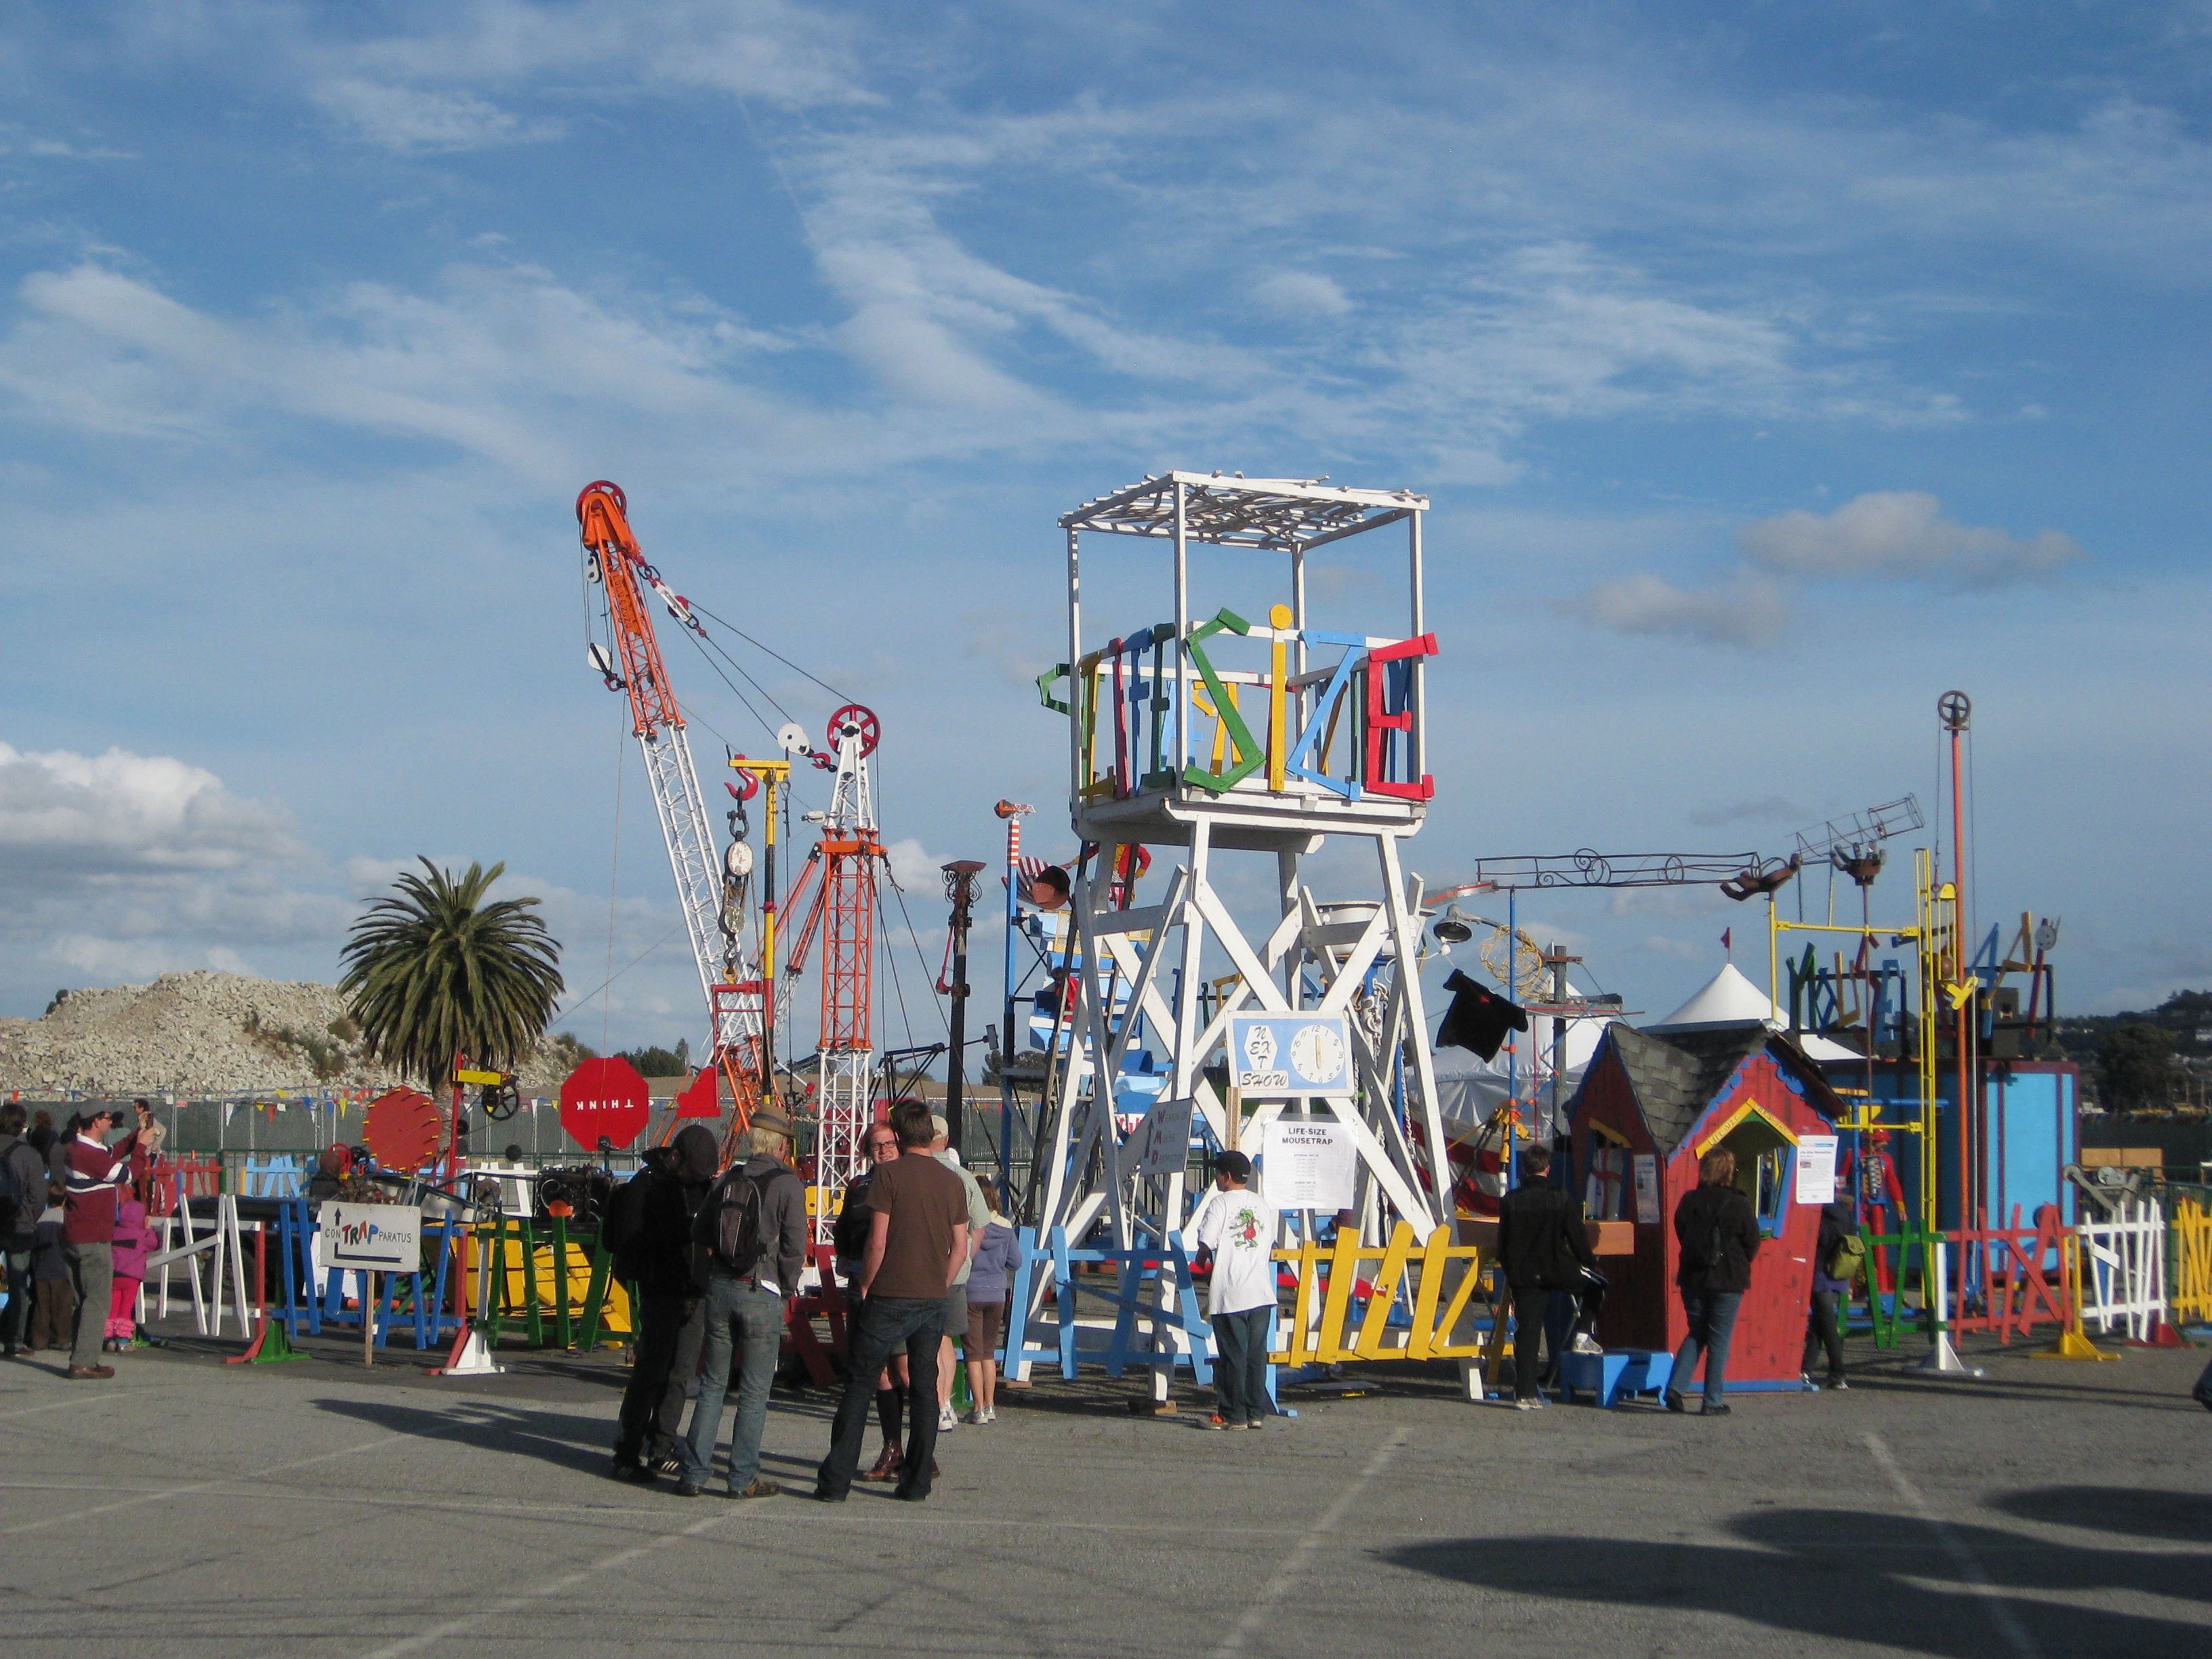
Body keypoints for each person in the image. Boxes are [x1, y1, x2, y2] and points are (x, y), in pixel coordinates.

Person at [815, 1099, 968, 1503]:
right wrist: (941, 1282)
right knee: (923, 1388)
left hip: (889, 1294)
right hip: (931, 1297)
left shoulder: (888, 1177)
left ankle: (836, 1482)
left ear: (899, 1137)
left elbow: (878, 1241)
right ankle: (917, 1480)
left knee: (860, 1383)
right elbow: (960, 1247)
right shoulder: (953, 1181)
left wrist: (867, 1284)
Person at [679, 1106, 807, 1500]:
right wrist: (786, 1288)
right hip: (761, 1291)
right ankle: (741, 1478)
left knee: (714, 1385)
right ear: (782, 1144)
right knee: (753, 1392)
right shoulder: (788, 1184)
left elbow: (700, 1231)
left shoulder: (729, 1178)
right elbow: (794, 1246)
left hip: (721, 1287)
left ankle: (694, 1473)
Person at [607, 1124, 719, 1482]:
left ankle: (662, 1445)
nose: (695, 1178)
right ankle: (627, 1452)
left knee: (681, 1374)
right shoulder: (646, 1187)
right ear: (675, 1157)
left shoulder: (701, 1185)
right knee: (650, 1372)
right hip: (661, 1291)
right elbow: (631, 1241)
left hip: (695, 1290)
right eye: (691, 1171)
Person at [834, 1121, 912, 1481]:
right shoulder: (859, 1186)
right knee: (876, 1371)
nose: (883, 1150)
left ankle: (921, 1452)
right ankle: (892, 1447)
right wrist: (848, 1262)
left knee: (905, 1369)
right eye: (876, 1145)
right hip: (861, 1282)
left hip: (896, 1285)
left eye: (888, 1144)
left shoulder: (910, 1182)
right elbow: (845, 1228)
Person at [1496, 1142, 1600, 1410]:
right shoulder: (1562, 1197)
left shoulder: (1510, 1201)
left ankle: (1525, 1393)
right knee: (1598, 1284)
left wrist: (1510, 1270)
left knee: (1528, 1331)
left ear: (1525, 1170)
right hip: (1557, 1267)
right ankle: (1583, 1333)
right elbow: (1577, 1238)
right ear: (1548, 1168)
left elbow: (1503, 1243)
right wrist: (1589, 1263)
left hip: (1524, 1272)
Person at [1665, 1147, 1762, 1416]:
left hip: (1693, 1277)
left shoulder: (1689, 1201)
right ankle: (1712, 1401)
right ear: (1730, 1172)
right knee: (1719, 1340)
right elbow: (1752, 1241)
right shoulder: (1739, 1203)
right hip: (1728, 1279)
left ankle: (1675, 1388)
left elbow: (1682, 1232)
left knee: (1697, 1331)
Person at [1189, 1151, 1280, 1431]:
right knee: (1255, 1356)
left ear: (1226, 1177)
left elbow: (1207, 1241)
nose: (1215, 1177)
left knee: (1233, 1357)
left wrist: (1201, 1262)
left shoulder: (1220, 1203)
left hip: (1231, 1291)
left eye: (1217, 1172)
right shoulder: (1262, 1204)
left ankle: (1231, 1414)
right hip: (1262, 1292)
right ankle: (1255, 1412)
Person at [62, 1104, 142, 1380]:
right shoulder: (87, 1154)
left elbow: (113, 1153)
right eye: (108, 1119)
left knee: (81, 1301)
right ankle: (83, 1362)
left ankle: (80, 1355)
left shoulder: (76, 1149)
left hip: (74, 1235)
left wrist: (136, 1135)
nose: (111, 1124)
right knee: (97, 1301)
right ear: (96, 1122)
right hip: (92, 1238)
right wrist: (142, 1149)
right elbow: (128, 1175)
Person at [928, 1112, 989, 1433]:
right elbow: (980, 1225)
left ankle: (937, 1404)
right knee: (946, 1340)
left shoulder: (914, 1171)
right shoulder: (964, 1177)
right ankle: (946, 1403)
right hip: (957, 1271)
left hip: (922, 1269)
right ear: (946, 1139)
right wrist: (965, 1258)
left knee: (929, 1341)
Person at [963, 1176, 1019, 1425]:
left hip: (972, 1291)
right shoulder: (1006, 1226)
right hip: (997, 1293)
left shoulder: (969, 1225)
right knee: (988, 1352)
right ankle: (991, 1404)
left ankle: (978, 1408)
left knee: (972, 1353)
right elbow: (1016, 1262)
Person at [1, 1103, 47, 1357]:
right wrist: (28, 1217)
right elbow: (39, 1196)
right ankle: (14, 1341)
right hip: (19, 1226)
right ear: (22, 1124)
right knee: (19, 1285)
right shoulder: (29, 1154)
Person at [1803, 1197, 1855, 1390]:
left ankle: (1838, 1373)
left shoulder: (1819, 1215)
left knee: (1827, 1325)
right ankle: (1805, 1370)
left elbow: (1819, 1241)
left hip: (1820, 1273)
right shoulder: (1846, 1215)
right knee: (1819, 1323)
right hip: (1839, 1273)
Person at [104, 1192, 155, 1352]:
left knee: (113, 1308)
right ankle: (123, 1340)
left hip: (114, 1274)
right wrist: (149, 1229)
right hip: (131, 1277)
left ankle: (109, 1339)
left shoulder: (115, 1231)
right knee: (126, 1308)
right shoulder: (141, 1235)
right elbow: (154, 1243)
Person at [28, 1187, 74, 1353]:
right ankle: (62, 1339)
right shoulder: (66, 1220)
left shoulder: (40, 1220)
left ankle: (39, 1339)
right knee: (62, 1306)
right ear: (65, 1201)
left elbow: (33, 1246)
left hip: (41, 1269)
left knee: (41, 1307)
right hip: (61, 1269)